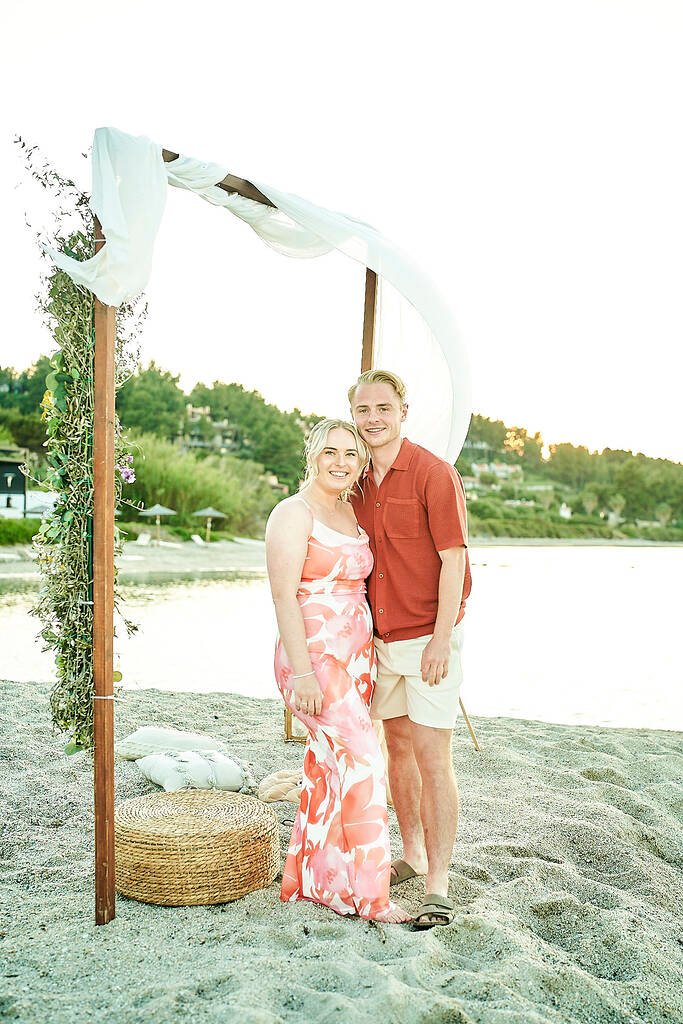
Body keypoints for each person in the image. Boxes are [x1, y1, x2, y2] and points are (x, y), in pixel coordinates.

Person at [265, 418, 411, 924]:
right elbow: (284, 595)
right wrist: (302, 674)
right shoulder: (292, 513)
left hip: (356, 657)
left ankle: (317, 880)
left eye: (351, 454)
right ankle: (372, 898)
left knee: (330, 767)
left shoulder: (351, 511)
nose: (341, 462)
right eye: (331, 452)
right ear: (312, 453)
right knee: (366, 763)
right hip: (313, 658)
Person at [348, 370, 471, 929]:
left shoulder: (433, 473)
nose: (373, 417)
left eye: (383, 407)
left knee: (432, 756)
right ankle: (413, 852)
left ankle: (438, 885)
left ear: (403, 411)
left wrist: (442, 639)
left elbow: (454, 560)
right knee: (396, 747)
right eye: (363, 409)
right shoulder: (356, 482)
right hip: (381, 642)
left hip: (429, 640)